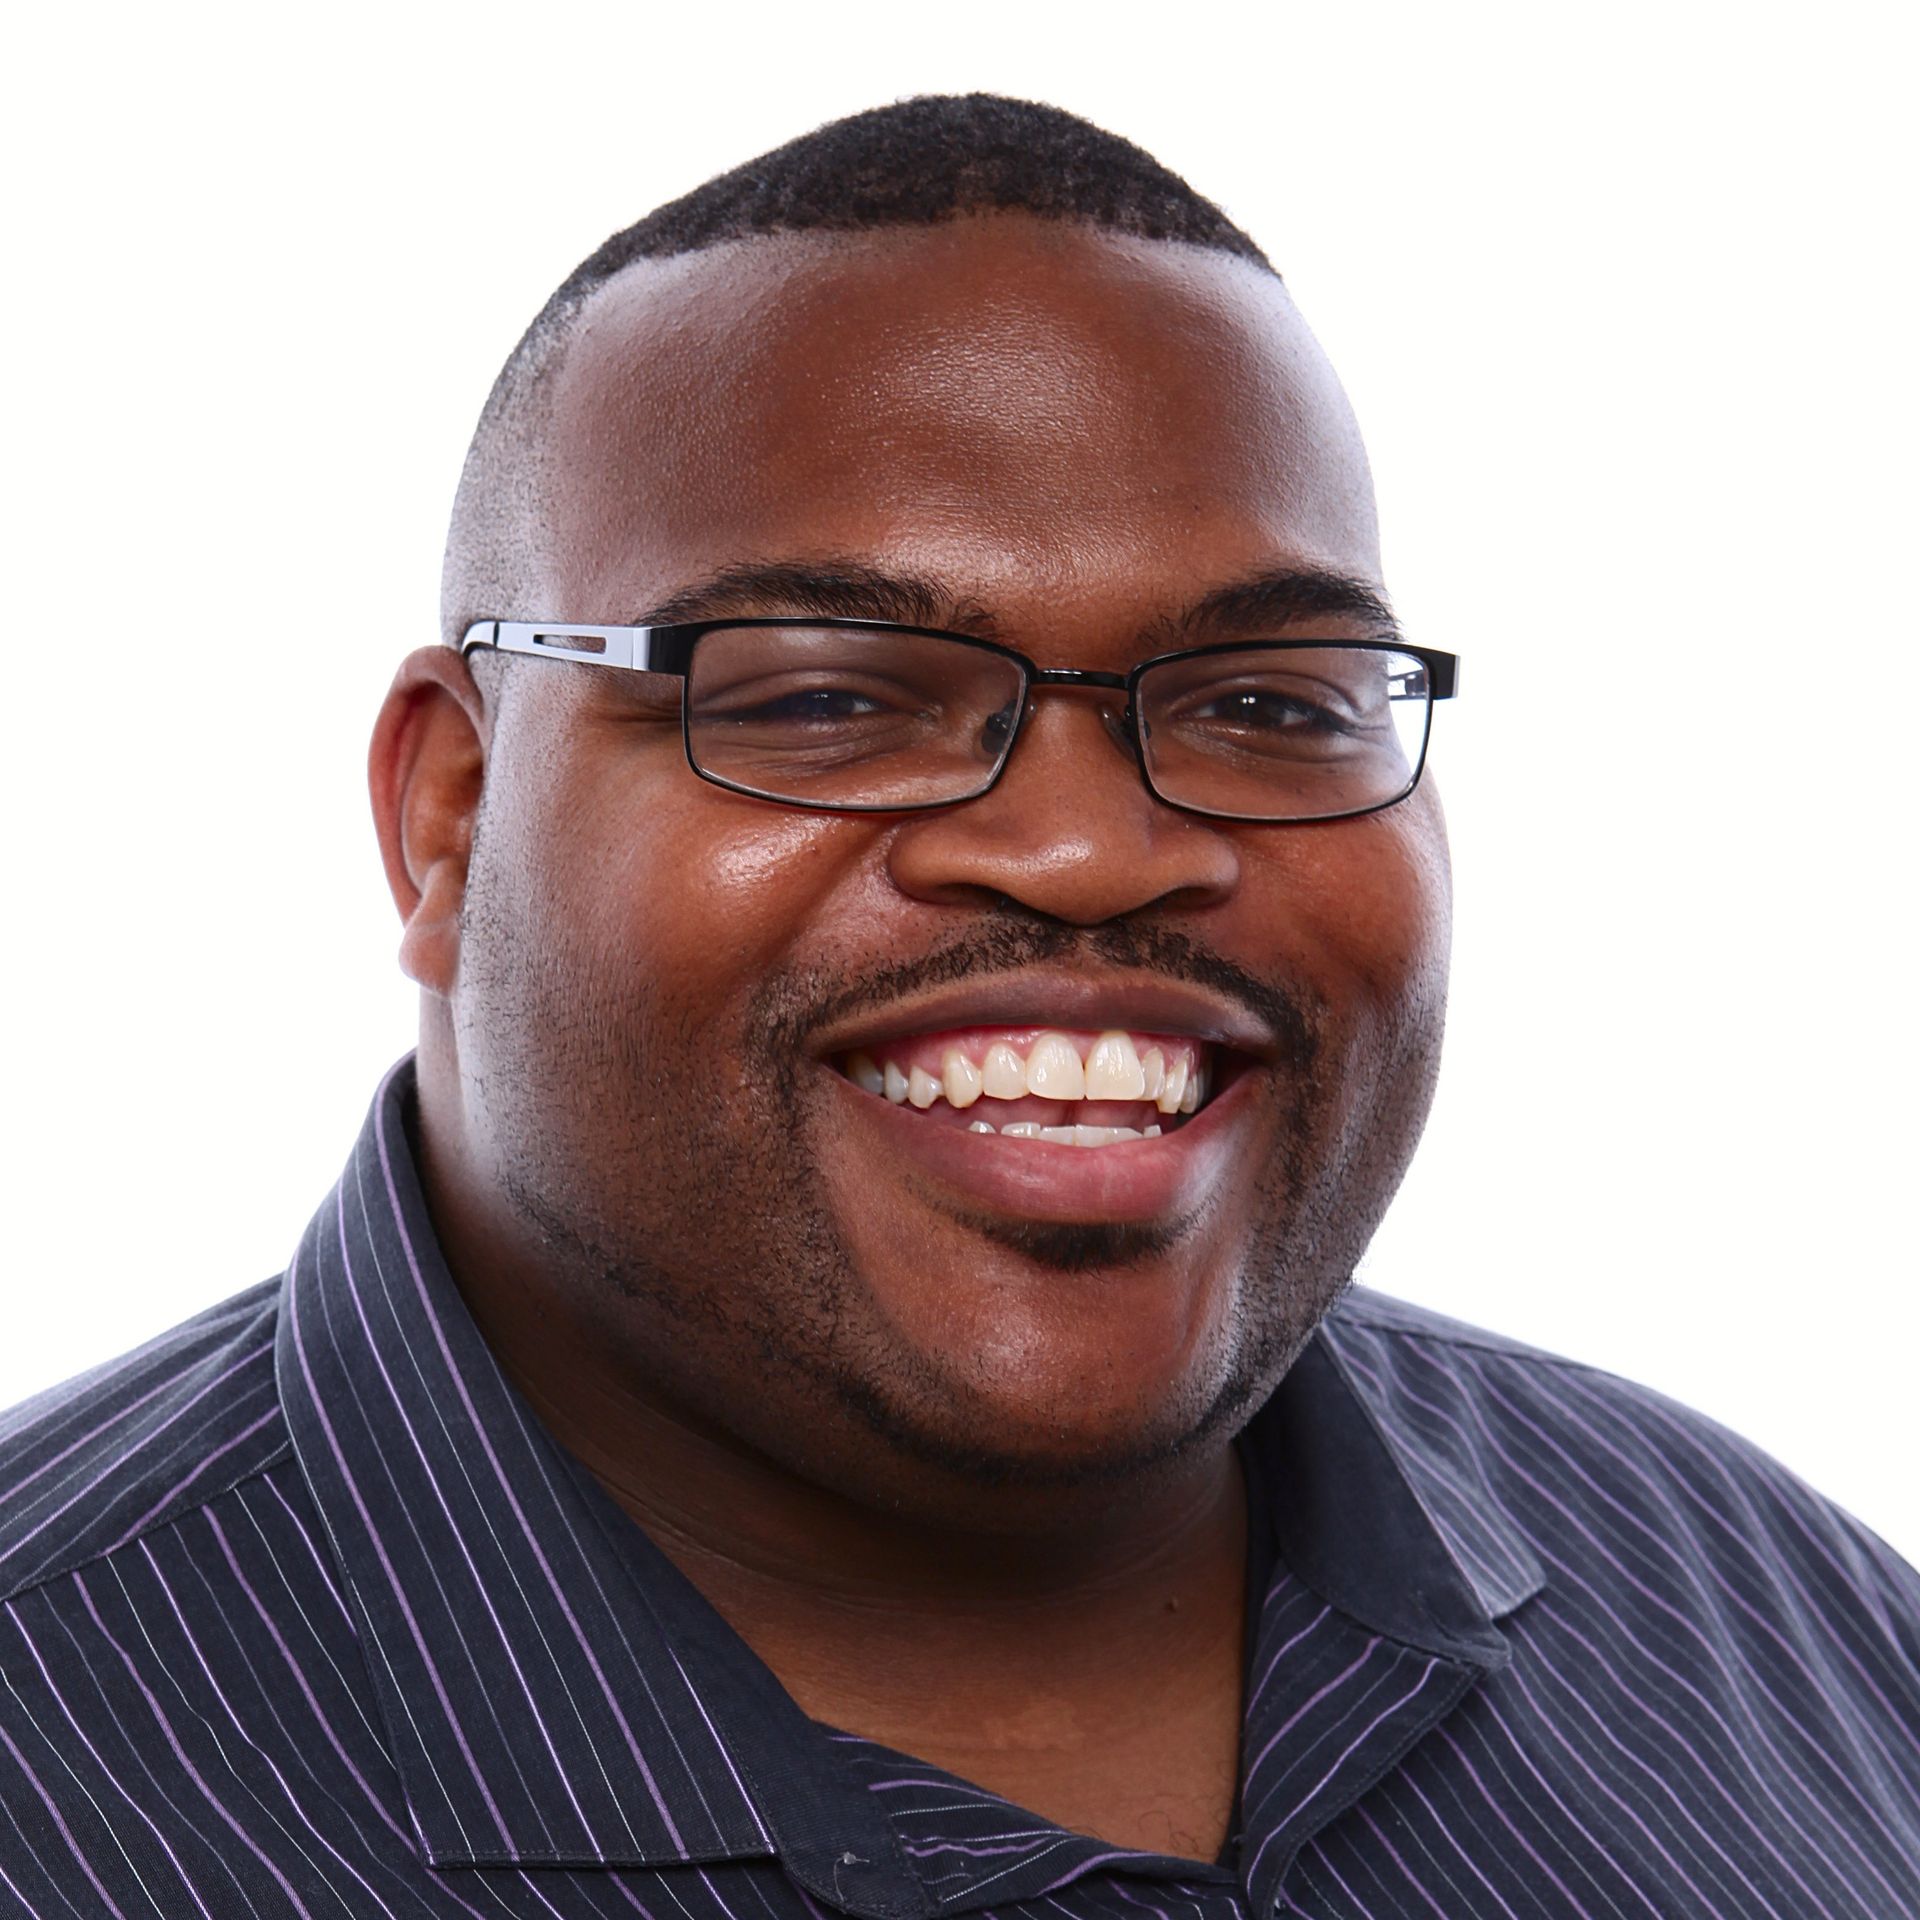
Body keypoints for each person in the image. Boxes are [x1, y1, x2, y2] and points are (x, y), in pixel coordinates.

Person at [0, 94, 1914, 1918]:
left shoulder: (1775, 1626)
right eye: (828, 694)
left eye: (1269, 704)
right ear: (451, 816)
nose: (1088, 851)